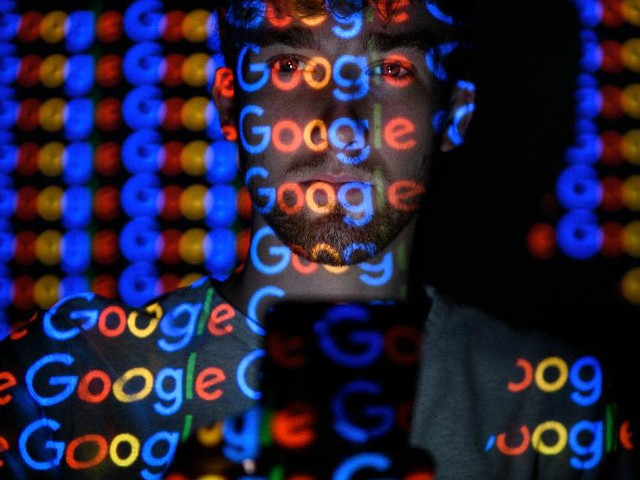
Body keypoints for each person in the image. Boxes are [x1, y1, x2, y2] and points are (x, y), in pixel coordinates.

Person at [0, 0, 637, 479]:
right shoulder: (65, 385)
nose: (341, 125)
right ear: (229, 107)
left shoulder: (552, 405)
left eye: (389, 67)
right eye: (290, 66)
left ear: (454, 112)